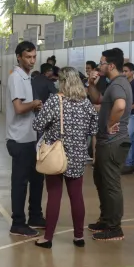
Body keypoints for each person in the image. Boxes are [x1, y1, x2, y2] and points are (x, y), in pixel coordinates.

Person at [30, 67, 97, 249]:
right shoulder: (85, 103)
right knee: (77, 196)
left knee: (54, 195)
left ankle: (48, 237)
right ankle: (78, 236)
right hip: (77, 155)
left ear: (62, 81)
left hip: (55, 154)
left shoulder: (55, 101)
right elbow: (93, 129)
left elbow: (37, 125)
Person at [86, 48, 132, 241]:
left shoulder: (118, 84)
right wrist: (90, 83)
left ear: (111, 65)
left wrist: (110, 124)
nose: (99, 66)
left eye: (102, 63)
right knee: (101, 179)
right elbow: (97, 99)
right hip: (106, 142)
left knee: (110, 184)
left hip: (113, 142)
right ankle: (105, 220)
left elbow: (120, 105)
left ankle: (114, 227)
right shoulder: (112, 85)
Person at [6, 41, 45, 237]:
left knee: (37, 179)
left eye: (34, 57)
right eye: (28, 57)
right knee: (20, 183)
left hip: (31, 138)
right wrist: (34, 104)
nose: (32, 61)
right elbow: (19, 108)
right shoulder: (16, 78)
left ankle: (35, 215)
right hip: (19, 140)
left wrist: (34, 106)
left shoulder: (28, 77)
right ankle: (18, 222)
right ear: (19, 57)